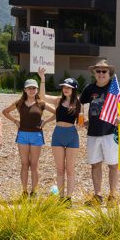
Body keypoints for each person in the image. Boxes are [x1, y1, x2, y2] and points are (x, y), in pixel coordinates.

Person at [79, 59, 120, 206]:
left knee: (113, 165)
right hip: (93, 133)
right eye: (98, 71)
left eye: (104, 71)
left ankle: (112, 196)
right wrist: (83, 118)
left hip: (110, 133)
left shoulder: (117, 87)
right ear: (94, 73)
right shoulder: (89, 88)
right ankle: (98, 195)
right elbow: (80, 102)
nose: (101, 74)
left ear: (109, 73)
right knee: (95, 164)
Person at [2, 78, 56, 197]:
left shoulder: (41, 103)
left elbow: (56, 113)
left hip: (36, 135)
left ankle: (34, 191)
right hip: (23, 135)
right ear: (25, 90)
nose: (32, 90)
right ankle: (24, 191)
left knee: (34, 164)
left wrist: (46, 121)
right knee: (24, 164)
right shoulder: (19, 103)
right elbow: (5, 112)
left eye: (34, 88)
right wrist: (15, 121)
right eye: (29, 88)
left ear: (37, 90)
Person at [37, 69, 81, 205]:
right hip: (58, 134)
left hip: (72, 135)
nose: (66, 89)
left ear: (74, 89)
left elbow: (83, 120)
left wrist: (83, 124)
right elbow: (42, 97)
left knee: (70, 169)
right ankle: (61, 198)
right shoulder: (57, 100)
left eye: (69, 87)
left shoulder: (79, 103)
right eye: (64, 87)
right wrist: (42, 79)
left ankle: (69, 198)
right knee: (60, 168)